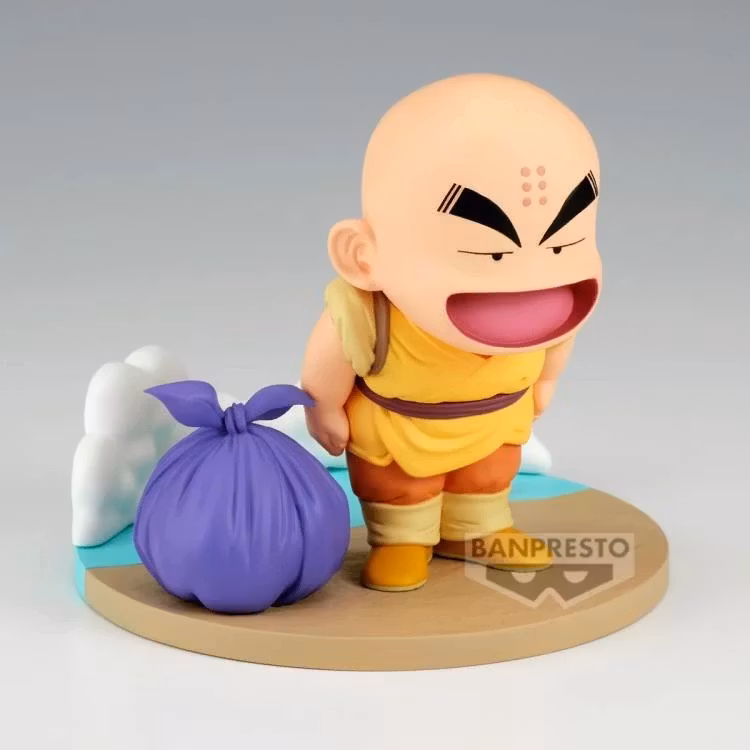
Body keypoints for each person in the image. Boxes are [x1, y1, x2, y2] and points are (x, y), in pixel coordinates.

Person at [301, 73, 602, 592]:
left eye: (561, 245)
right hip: (400, 426)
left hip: (497, 418)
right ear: (362, 256)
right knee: (400, 486)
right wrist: (324, 407)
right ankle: (401, 540)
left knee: (487, 477)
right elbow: (328, 360)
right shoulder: (368, 311)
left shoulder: (551, 308)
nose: (529, 282)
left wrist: (547, 379)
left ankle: (476, 531)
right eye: (491, 253)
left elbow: (557, 342)